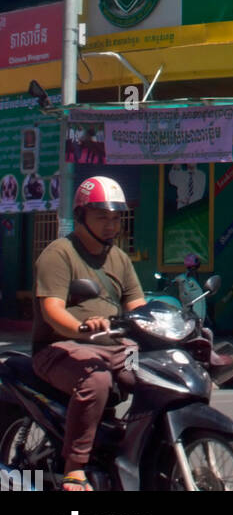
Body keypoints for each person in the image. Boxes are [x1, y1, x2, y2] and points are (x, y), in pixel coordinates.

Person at [31, 176, 147, 492]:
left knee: (149, 373)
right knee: (95, 380)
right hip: (59, 348)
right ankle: (75, 468)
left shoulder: (120, 258)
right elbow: (53, 311)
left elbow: (137, 305)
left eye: (115, 218)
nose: (111, 225)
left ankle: (136, 446)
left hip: (114, 348)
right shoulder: (59, 254)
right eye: (102, 217)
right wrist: (81, 327)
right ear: (82, 216)